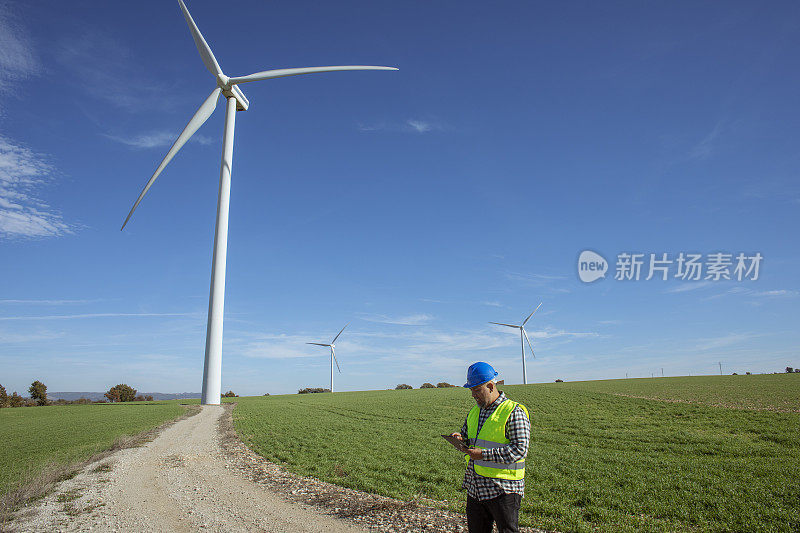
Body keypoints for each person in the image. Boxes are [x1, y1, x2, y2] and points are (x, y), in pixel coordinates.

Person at [450, 362, 530, 533]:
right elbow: (467, 435)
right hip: (476, 487)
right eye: (471, 390)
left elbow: (519, 449)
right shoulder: (474, 411)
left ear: (491, 386)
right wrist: (460, 438)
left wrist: (483, 455)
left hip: (504, 488)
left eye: (476, 390)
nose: (473, 395)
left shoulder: (514, 411)